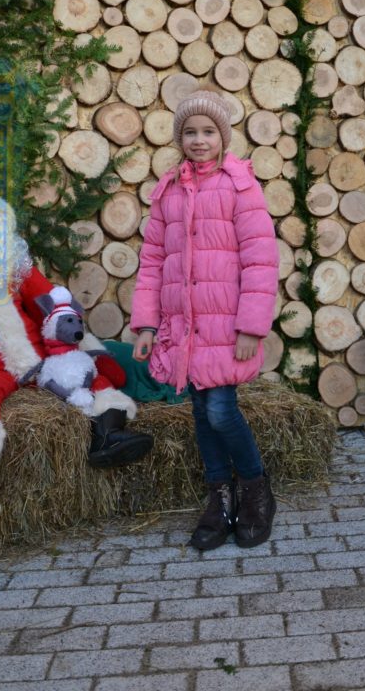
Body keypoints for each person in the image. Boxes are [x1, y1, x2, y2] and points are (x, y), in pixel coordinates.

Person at [0, 189, 153, 520]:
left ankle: (109, 433)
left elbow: (51, 301)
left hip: (38, 359)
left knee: (89, 375)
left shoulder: (17, 271)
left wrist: (66, 328)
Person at [131, 88, 279, 551]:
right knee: (200, 412)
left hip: (225, 325)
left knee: (221, 409)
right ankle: (220, 498)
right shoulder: (170, 190)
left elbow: (260, 259)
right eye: (190, 132)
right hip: (184, 326)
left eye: (208, 131)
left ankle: (254, 490)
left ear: (223, 137)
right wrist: (147, 325)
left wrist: (251, 327)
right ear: (179, 138)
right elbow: (153, 258)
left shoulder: (239, 185)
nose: (199, 140)